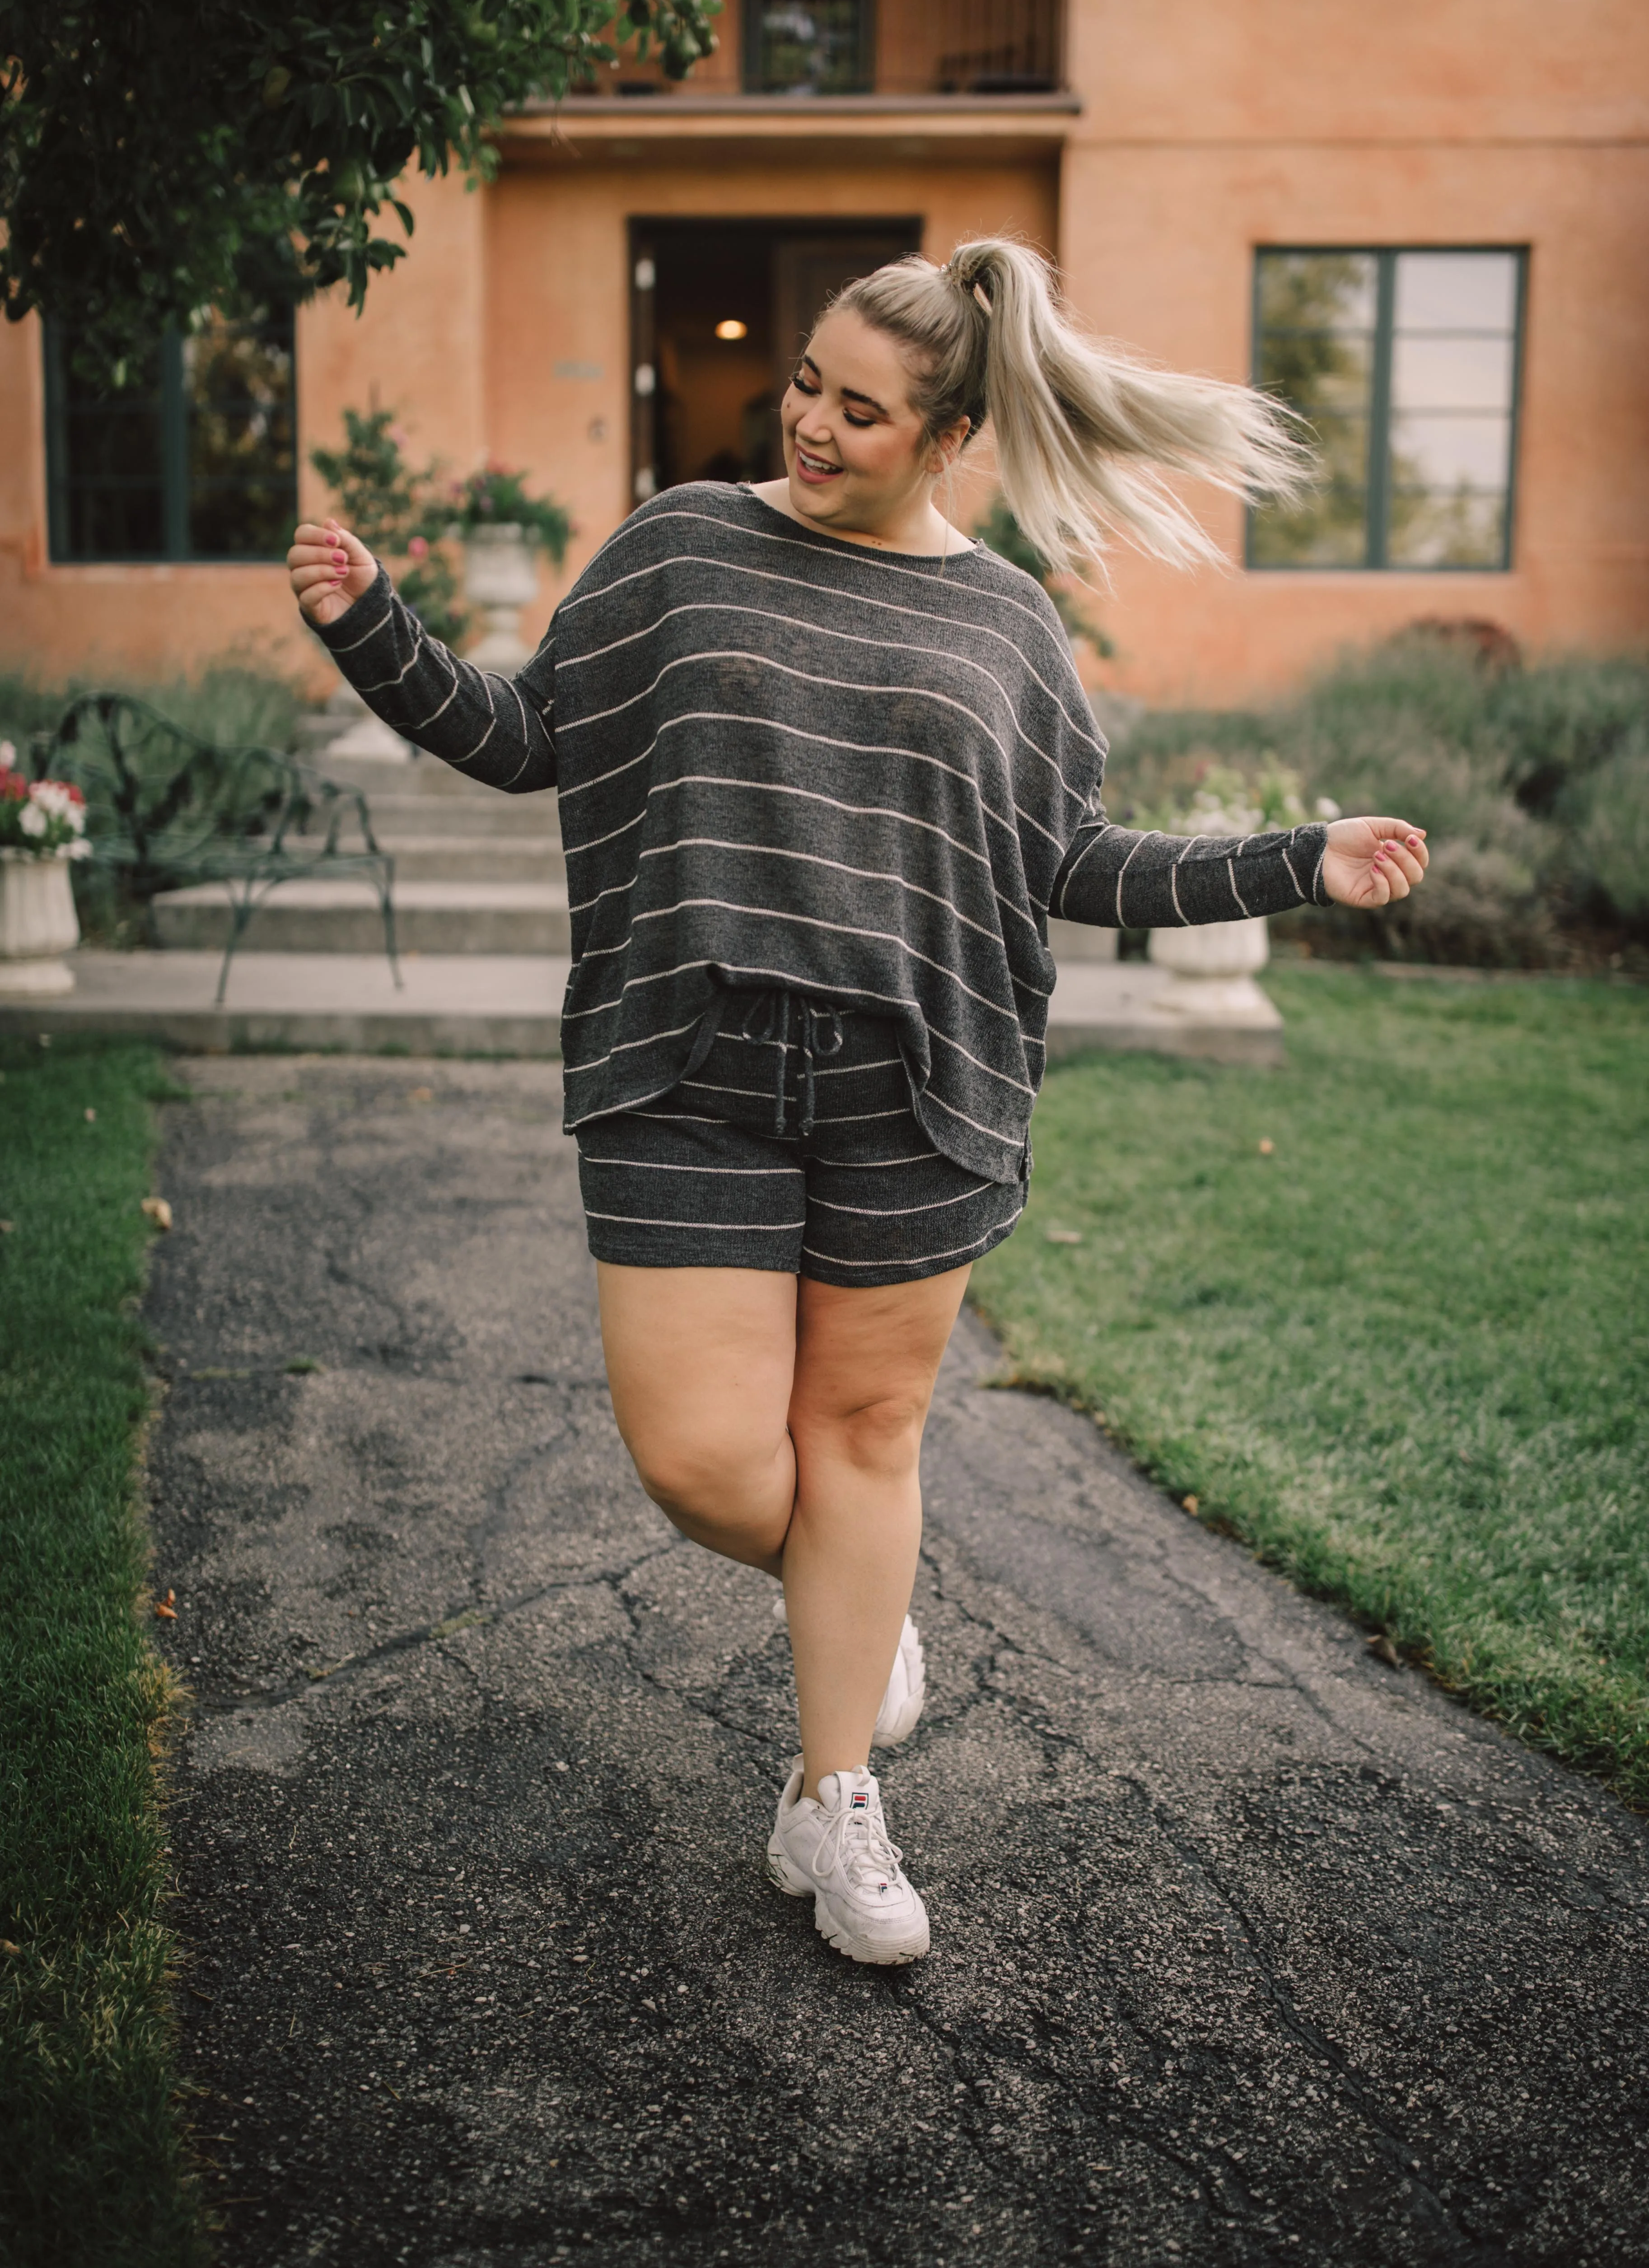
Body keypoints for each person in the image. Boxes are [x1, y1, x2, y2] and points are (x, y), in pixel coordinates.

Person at [288, 238, 1428, 1969]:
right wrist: (375, 627)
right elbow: (525, 737)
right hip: (693, 1058)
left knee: (868, 1439)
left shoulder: (1008, 625)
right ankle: (857, 1605)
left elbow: (1070, 861)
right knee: (703, 1457)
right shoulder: (686, 543)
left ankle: (832, 1801)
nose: (812, 424)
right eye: (806, 385)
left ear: (952, 434)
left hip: (917, 1080)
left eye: (861, 409)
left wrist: (1295, 856)